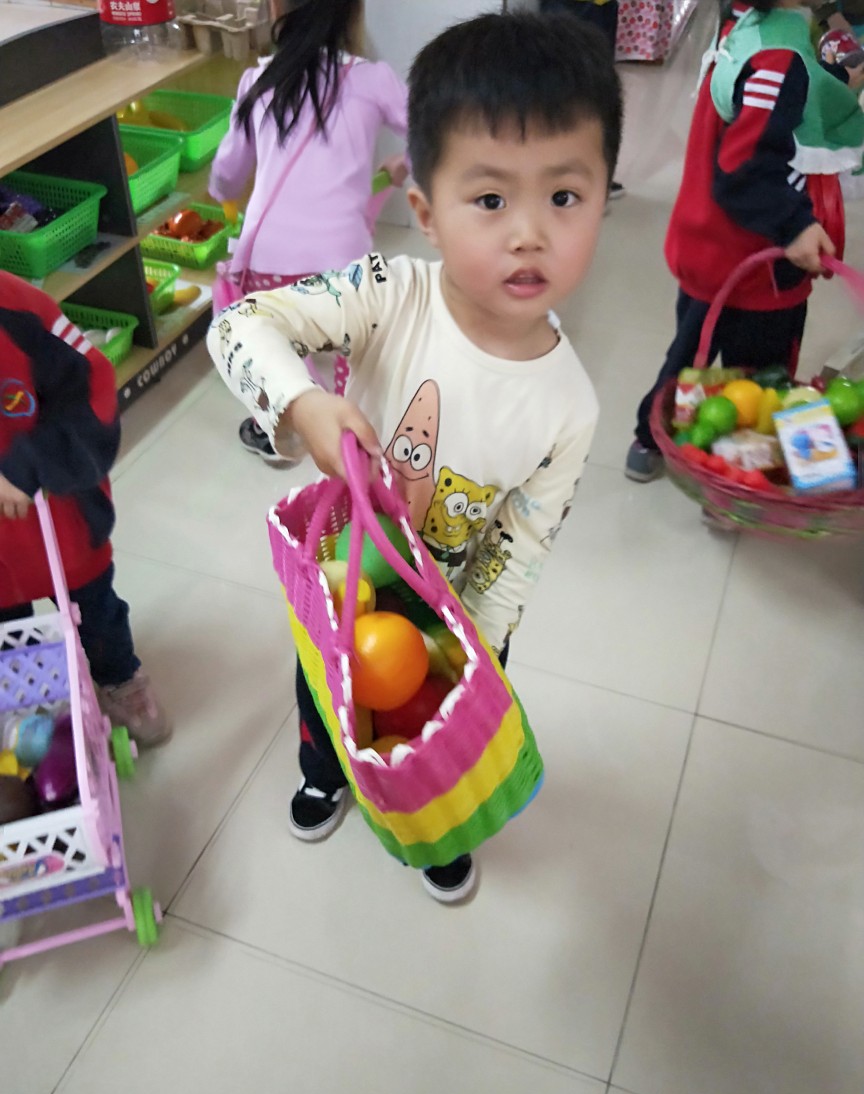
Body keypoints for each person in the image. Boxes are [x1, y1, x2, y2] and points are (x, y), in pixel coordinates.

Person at [208, 10, 622, 902]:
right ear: (426, 214)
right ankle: (324, 770)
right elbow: (241, 325)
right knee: (326, 696)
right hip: (344, 581)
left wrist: (472, 651)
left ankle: (436, 823)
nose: (529, 233)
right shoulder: (389, 292)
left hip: (453, 616)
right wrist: (304, 402)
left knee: (434, 741)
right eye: (490, 199)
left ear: (604, 197)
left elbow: (520, 549)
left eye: (564, 196)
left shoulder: (571, 405)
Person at [624, 0, 864, 483]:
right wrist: (795, 226)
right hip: (756, 261)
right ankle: (736, 482)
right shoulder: (780, 58)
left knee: (689, 354)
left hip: (704, 242)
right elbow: (745, 167)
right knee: (759, 382)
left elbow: (772, 108)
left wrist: (840, 77)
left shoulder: (745, 25)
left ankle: (649, 439)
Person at [208, 0, 408, 466]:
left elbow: (227, 175)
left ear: (276, 6)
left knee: (273, 347)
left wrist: (221, 193)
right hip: (344, 267)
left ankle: (283, 427)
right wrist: (406, 162)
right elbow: (437, 133)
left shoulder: (258, 81)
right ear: (354, 11)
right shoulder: (373, 80)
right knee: (351, 342)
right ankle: (354, 424)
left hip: (267, 263)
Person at [0, 272, 171, 747]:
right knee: (8, 629)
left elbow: (92, 388)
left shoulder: (20, 312)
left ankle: (119, 678)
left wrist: (28, 464)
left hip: (60, 520)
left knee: (95, 611)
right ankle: (22, 698)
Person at [539, 0, 625, 197]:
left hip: (600, 6)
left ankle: (588, 174)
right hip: (573, 7)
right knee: (567, 92)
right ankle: (561, 176)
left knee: (597, 91)